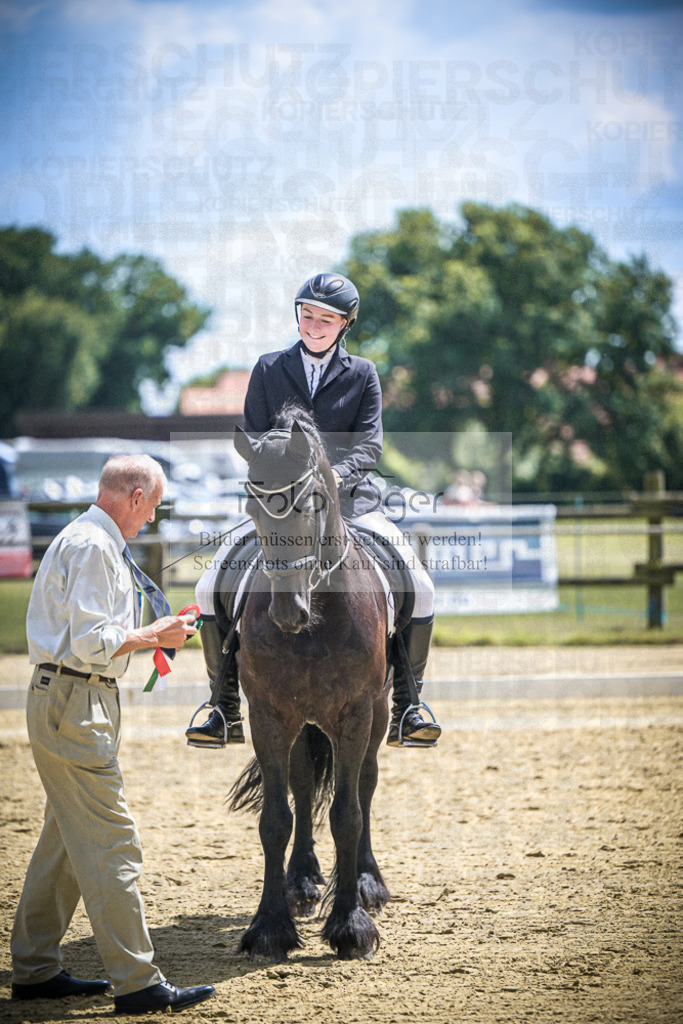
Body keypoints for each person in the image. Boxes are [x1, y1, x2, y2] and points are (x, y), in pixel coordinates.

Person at [186, 272, 441, 750]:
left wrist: (334, 478)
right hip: (281, 503)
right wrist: (284, 473)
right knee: (207, 586)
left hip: (351, 503)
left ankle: (409, 704)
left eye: (326, 319)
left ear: (345, 324)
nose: (314, 326)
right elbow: (255, 434)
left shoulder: (362, 373)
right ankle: (223, 706)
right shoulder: (269, 368)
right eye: (307, 315)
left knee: (421, 587)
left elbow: (370, 445)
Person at [11, 455, 216, 1015]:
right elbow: (92, 642)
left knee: (64, 840)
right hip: (76, 698)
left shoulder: (91, 539)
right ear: (134, 496)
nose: (152, 518)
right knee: (112, 842)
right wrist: (157, 634)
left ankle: (34, 968)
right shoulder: (95, 546)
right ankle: (137, 983)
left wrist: (153, 635)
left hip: (73, 697)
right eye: (153, 507)